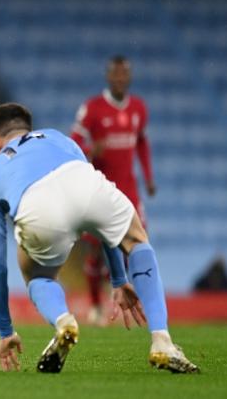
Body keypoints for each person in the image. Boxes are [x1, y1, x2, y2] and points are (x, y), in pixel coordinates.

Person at [0, 102, 198, 373]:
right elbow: (102, 223)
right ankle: (162, 342)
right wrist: (118, 279)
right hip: (81, 180)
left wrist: (5, 331)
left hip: (37, 205)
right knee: (136, 239)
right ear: (29, 129)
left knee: (37, 275)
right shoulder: (58, 138)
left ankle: (64, 322)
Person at [71, 55, 156, 324]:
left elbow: (141, 142)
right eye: (116, 74)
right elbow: (73, 143)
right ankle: (96, 306)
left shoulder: (138, 108)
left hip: (130, 192)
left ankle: (136, 303)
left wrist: (148, 176)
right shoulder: (92, 108)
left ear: (129, 77)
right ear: (108, 77)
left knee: (138, 245)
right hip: (101, 191)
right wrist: (89, 150)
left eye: (124, 74)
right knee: (96, 252)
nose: (120, 78)